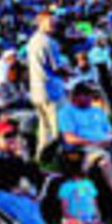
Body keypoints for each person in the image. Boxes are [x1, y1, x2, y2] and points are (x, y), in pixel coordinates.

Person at [27, 11, 68, 162]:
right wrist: (70, 71)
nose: (53, 25)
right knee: (58, 126)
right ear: (40, 22)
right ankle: (59, 157)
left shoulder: (32, 41)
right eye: (49, 22)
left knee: (44, 127)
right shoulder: (50, 42)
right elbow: (57, 67)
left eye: (54, 21)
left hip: (36, 90)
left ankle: (42, 155)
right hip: (52, 90)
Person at [58, 154, 112, 224]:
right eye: (85, 163)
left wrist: (97, 218)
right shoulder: (66, 187)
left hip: (92, 222)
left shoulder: (89, 184)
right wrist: (82, 223)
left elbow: (95, 205)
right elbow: (65, 212)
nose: (87, 165)